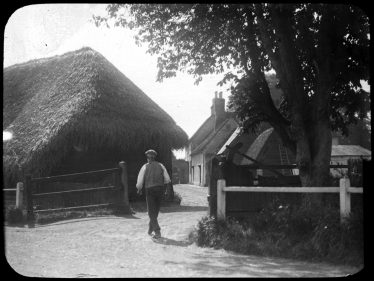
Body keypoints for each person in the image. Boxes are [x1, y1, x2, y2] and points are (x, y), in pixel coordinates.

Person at [136, 149, 171, 239]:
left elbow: (140, 181)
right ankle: (150, 228)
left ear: (147, 157)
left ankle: (157, 231)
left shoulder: (145, 167)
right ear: (154, 157)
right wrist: (166, 189)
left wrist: (139, 188)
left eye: (148, 157)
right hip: (160, 189)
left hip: (150, 190)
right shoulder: (161, 165)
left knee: (151, 212)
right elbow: (167, 179)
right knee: (155, 211)